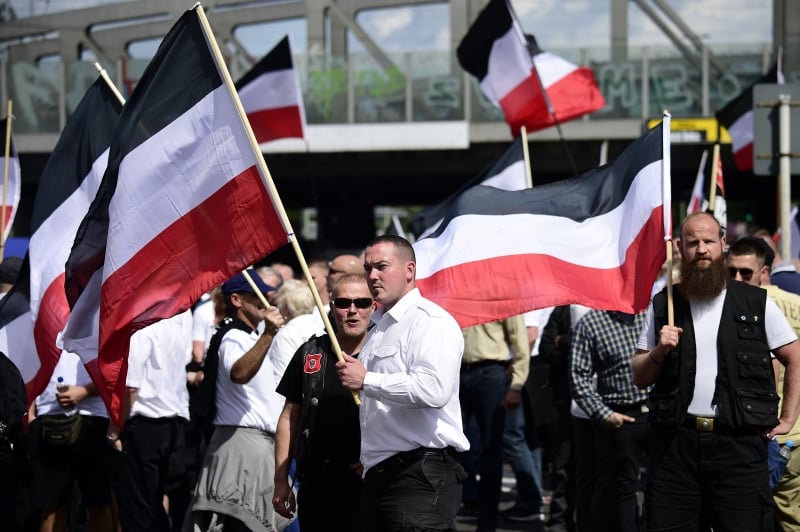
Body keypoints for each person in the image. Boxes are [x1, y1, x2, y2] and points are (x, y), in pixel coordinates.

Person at [632, 212, 800, 531]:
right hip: (674, 447)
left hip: (738, 447)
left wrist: (787, 418)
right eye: (692, 243)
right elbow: (640, 376)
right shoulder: (664, 303)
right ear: (680, 248)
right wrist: (659, 351)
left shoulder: (755, 302)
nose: (702, 249)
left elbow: (795, 356)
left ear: (723, 244)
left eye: (709, 241)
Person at [336, 235, 469, 531]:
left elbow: (433, 390)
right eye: (368, 268)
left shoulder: (431, 321)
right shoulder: (380, 326)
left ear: (409, 270)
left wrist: (367, 379)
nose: (372, 276)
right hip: (381, 474)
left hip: (420, 474)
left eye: (382, 266)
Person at [185, 270, 292, 532]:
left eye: (267, 294)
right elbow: (239, 373)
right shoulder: (234, 335)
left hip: (252, 447)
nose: (266, 301)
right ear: (236, 300)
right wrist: (268, 333)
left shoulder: (248, 336)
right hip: (241, 447)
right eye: (257, 295)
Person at [272, 273, 374, 531]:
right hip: (317, 479)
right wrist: (281, 481)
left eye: (362, 303)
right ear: (331, 305)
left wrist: (376, 454)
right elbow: (289, 417)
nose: (352, 311)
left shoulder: (385, 351)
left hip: (369, 483)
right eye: (343, 303)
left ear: (374, 306)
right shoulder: (310, 352)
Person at [726, 235, 800, 530]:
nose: (738, 279)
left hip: (770, 434)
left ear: (763, 271)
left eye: (746, 272)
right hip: (777, 431)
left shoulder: (756, 309)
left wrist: (784, 419)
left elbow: (778, 368)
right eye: (732, 272)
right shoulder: (795, 302)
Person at [112, 310, 193, 532]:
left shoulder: (141, 330)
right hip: (170, 424)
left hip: (144, 427)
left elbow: (131, 387)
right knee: (156, 505)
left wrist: (115, 429)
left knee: (137, 508)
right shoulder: (174, 325)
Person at [569, 309, 649, 532]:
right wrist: (606, 415)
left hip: (658, 412)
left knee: (661, 485)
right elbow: (578, 378)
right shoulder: (591, 323)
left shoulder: (654, 313)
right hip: (620, 416)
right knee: (621, 488)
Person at [29, 352, 115, 532]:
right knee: (51, 504)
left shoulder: (98, 323)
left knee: (98, 502)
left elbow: (115, 369)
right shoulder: (41, 322)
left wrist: (84, 391)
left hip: (93, 417)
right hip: (50, 417)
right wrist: (30, 414)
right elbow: (26, 356)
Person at [459, 315, 529, 531]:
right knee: (454, 444)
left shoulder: (503, 294)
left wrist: (516, 385)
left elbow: (521, 343)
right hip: (459, 371)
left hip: (492, 373)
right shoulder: (459, 291)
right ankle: (468, 497)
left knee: (491, 450)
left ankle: (487, 521)